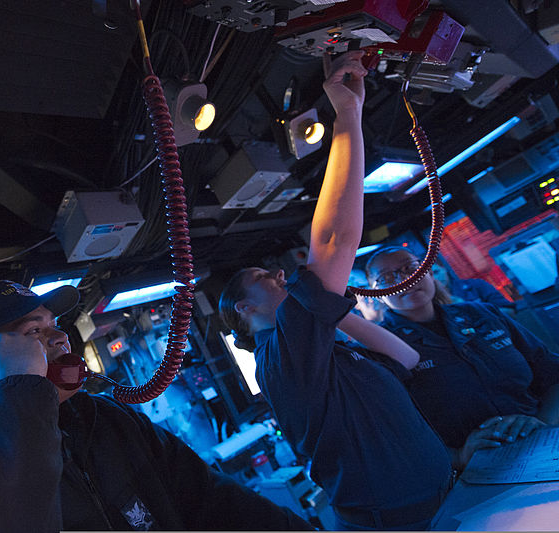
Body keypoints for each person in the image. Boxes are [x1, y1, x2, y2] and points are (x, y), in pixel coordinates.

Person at [218, 51, 453, 531]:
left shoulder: (320, 347)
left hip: (439, 497)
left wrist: (332, 308)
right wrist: (347, 112)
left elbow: (406, 358)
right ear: (245, 309)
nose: (281, 276)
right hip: (398, 520)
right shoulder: (283, 354)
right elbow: (333, 241)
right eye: (267, 278)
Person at [0, 280, 314, 532]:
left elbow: (214, 501)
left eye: (54, 325)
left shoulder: (112, 422)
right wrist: (19, 393)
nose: (62, 339)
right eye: (32, 333)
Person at [364, 246, 559, 470]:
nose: (406, 279)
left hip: (545, 443)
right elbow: (391, 432)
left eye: (411, 268)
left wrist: (543, 422)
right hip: (475, 473)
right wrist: (458, 457)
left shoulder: (483, 314)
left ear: (428, 271)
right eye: (387, 277)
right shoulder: (377, 349)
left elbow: (552, 373)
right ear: (375, 293)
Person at [430, 257, 515, 310]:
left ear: (444, 269)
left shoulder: (476, 285)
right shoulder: (431, 304)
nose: (436, 279)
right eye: (430, 276)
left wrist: (471, 309)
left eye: (436, 272)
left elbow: (509, 311)